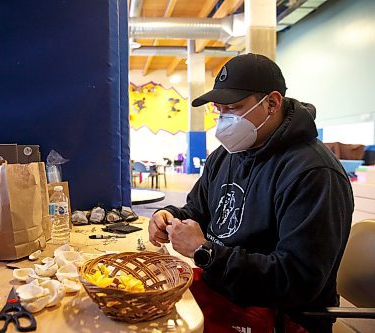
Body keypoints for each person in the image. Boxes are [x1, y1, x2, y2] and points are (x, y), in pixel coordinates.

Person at [148, 53, 353, 333]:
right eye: (219, 110)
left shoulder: (313, 173)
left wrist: (205, 252)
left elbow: (298, 280)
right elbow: (197, 210)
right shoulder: (224, 156)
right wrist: (168, 217)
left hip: (282, 314)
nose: (224, 120)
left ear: (272, 102)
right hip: (225, 288)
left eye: (234, 107)